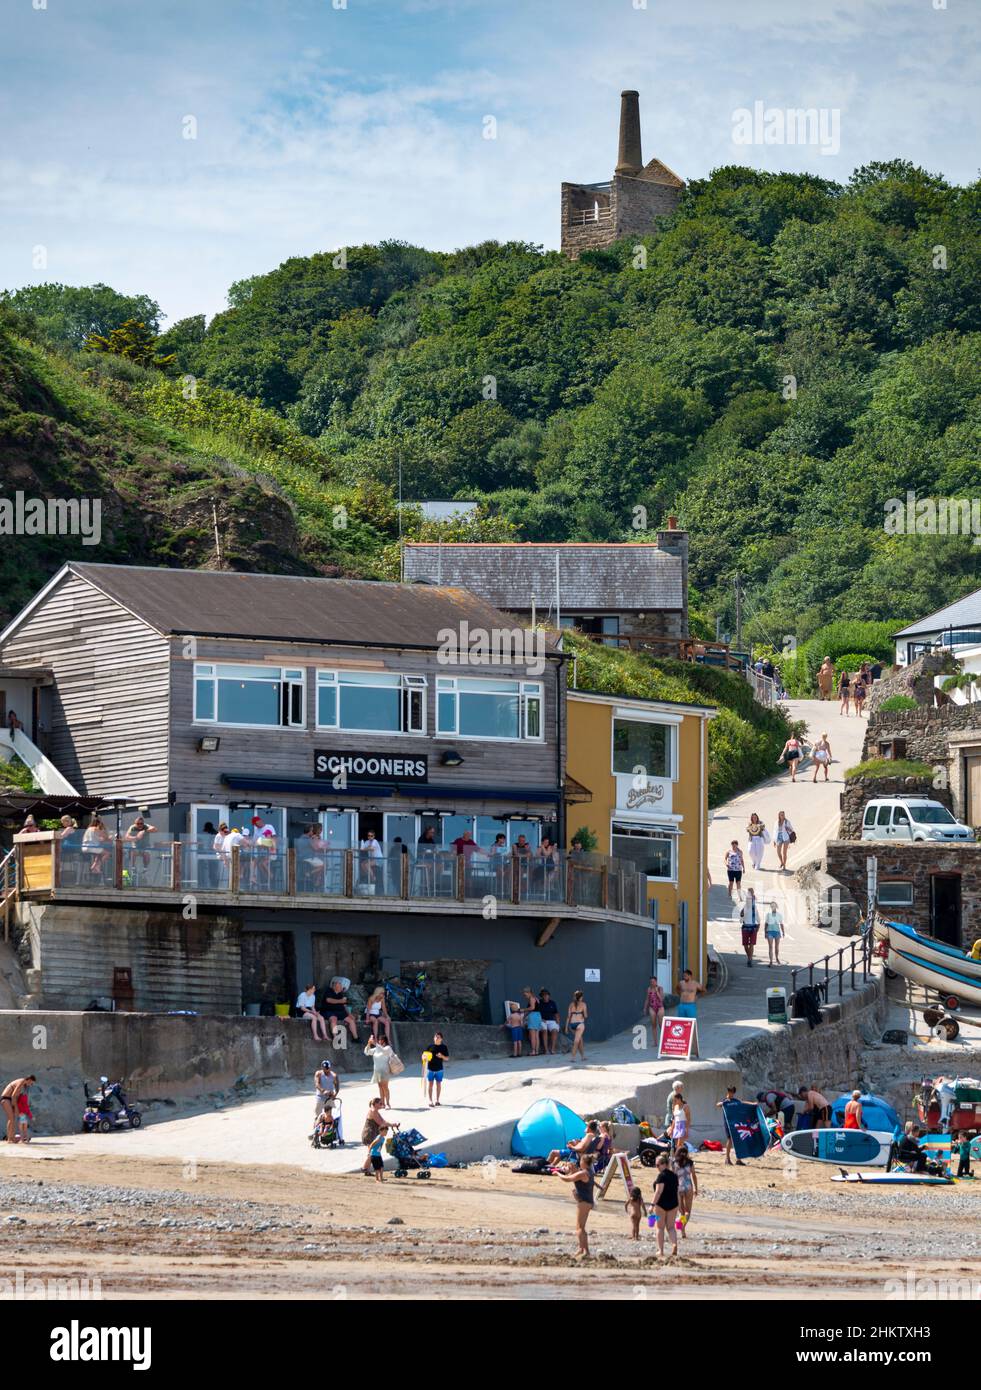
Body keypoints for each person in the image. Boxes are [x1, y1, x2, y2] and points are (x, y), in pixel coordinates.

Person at [557, 1152, 596, 1259]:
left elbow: (567, 1179)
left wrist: (557, 1173)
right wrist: (571, 1169)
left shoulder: (583, 1173)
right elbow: (574, 1175)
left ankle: (585, 1250)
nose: (579, 1162)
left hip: (584, 1202)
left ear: (583, 1162)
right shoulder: (588, 1172)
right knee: (581, 1227)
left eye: (580, 1161)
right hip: (586, 1202)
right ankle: (582, 1249)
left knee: (579, 1228)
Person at [650, 1155, 679, 1258]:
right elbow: (677, 1191)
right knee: (671, 1227)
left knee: (660, 1227)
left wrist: (652, 1205)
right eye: (656, 1165)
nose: (656, 1167)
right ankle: (674, 1244)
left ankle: (661, 1251)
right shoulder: (674, 1176)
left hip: (661, 1204)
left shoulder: (661, 1176)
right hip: (673, 1203)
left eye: (658, 1165)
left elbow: (658, 1192)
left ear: (664, 1164)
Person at [361, 1098, 396, 1182]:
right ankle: (365, 1168)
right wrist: (392, 1125)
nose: (381, 1105)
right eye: (380, 1103)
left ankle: (366, 1169)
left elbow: (383, 1121)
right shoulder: (373, 1111)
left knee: (372, 1152)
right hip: (370, 1134)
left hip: (373, 1133)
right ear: (375, 1104)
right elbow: (381, 1123)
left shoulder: (376, 1111)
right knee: (371, 1153)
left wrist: (392, 1124)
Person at [313, 1059, 343, 1143]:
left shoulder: (334, 1075)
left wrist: (335, 1094)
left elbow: (337, 1086)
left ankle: (333, 1134)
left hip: (329, 1098)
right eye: (325, 1068)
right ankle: (315, 1132)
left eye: (328, 1068)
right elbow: (317, 1084)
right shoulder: (318, 1073)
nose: (326, 1070)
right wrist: (323, 1091)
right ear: (322, 1067)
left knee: (332, 1116)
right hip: (320, 1097)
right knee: (318, 1115)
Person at [322, 977, 358, 1043]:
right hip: (330, 1011)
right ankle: (335, 1038)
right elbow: (328, 1000)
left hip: (340, 1012)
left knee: (351, 1020)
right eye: (340, 985)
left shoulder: (341, 994)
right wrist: (340, 1001)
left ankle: (355, 1038)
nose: (342, 987)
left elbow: (344, 1005)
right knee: (333, 1019)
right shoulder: (329, 991)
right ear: (336, 985)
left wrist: (349, 1014)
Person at [1, 1075, 35, 1143]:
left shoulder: (23, 1083)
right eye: (31, 1083)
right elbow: (13, 1095)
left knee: (12, 1119)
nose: (31, 1085)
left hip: (9, 1099)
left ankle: (11, 1137)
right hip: (6, 1099)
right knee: (11, 1119)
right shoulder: (22, 1081)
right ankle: (9, 1139)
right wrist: (16, 1108)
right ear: (29, 1080)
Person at [717, 1084, 744, 1166]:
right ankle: (727, 1159)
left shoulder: (736, 1101)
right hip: (728, 1123)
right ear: (728, 1092)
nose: (731, 1094)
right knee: (730, 1139)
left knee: (738, 1140)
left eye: (733, 1092)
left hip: (736, 1123)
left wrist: (753, 1104)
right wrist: (723, 1103)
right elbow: (718, 1104)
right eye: (730, 1092)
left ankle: (738, 1159)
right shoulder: (725, 1101)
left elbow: (743, 1104)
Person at [674, 1146, 697, 1235]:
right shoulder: (690, 1163)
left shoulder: (674, 1163)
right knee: (688, 1212)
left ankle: (680, 1227)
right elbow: (694, 1176)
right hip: (688, 1187)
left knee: (682, 1212)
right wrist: (696, 1188)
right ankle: (682, 1227)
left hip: (678, 1187)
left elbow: (672, 1176)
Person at [425, 1031, 449, 1107]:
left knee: (438, 1084)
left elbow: (447, 1058)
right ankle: (430, 1101)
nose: (436, 1038)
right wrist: (424, 1057)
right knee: (430, 1084)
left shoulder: (444, 1047)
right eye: (435, 1037)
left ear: (441, 1039)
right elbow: (424, 1055)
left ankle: (437, 1100)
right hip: (430, 1069)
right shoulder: (429, 1047)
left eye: (438, 1037)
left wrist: (442, 1056)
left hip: (439, 1069)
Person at [740, 888, 760, 967]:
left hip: (753, 927)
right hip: (745, 927)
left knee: (751, 944)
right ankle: (749, 958)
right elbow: (741, 919)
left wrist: (759, 925)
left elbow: (758, 917)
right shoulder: (745, 907)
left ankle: (750, 959)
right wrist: (741, 916)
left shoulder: (754, 906)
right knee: (745, 945)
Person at [566, 990, 587, 1061]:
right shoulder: (583, 1004)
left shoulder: (571, 1004)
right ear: (581, 997)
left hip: (572, 1025)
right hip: (580, 1024)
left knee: (580, 1040)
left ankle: (583, 1056)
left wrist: (566, 1027)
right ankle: (573, 1057)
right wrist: (582, 1014)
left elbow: (568, 1017)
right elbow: (586, 1015)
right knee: (577, 1040)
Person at [522, 987, 543, 1057]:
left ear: (529, 993)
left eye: (525, 995)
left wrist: (523, 1009)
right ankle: (536, 1051)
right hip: (538, 1016)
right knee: (536, 1035)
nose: (525, 996)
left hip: (533, 1016)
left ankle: (533, 1051)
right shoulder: (536, 998)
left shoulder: (531, 998)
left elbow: (532, 1008)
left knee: (533, 1035)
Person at [538, 988, 560, 1053]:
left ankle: (552, 1049)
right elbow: (536, 1013)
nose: (545, 996)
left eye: (546, 995)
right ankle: (546, 1049)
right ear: (541, 996)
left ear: (549, 995)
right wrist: (540, 1019)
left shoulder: (552, 1003)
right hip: (541, 1020)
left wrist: (558, 1019)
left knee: (555, 1030)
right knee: (544, 1030)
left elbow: (556, 1012)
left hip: (551, 1020)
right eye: (543, 995)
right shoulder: (539, 1003)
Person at [764, 900, 785, 966]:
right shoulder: (768, 914)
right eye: (771, 906)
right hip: (769, 931)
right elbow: (766, 923)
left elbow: (781, 924)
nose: (773, 907)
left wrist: (783, 932)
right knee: (770, 947)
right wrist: (765, 932)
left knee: (776, 947)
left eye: (774, 906)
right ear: (770, 907)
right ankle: (770, 961)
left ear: (776, 906)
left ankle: (777, 958)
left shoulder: (779, 915)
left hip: (777, 932)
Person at [645, 977, 665, 1046]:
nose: (652, 983)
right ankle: (655, 1042)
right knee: (653, 1025)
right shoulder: (649, 989)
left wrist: (656, 991)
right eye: (651, 982)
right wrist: (645, 1008)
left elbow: (661, 999)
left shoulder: (660, 988)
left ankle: (663, 1041)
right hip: (652, 1007)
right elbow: (647, 999)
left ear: (656, 982)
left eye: (653, 982)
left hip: (660, 1007)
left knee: (661, 1024)